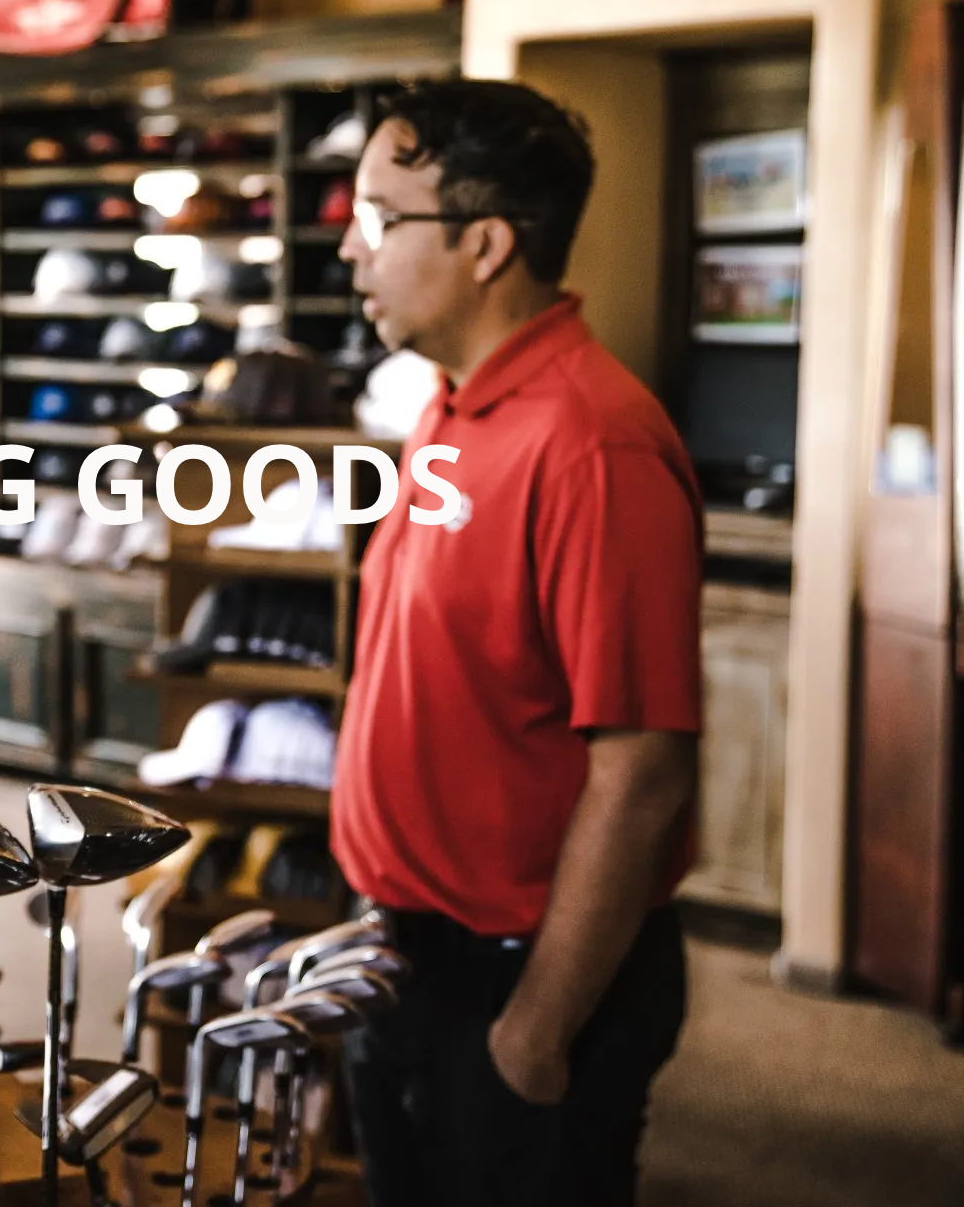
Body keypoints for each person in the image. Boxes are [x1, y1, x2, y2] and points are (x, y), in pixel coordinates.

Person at [330, 79, 702, 1207]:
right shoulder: (451, 403)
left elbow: (641, 771)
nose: (354, 250)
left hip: (518, 982)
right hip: (408, 950)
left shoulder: (594, 445)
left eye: (381, 218)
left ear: (486, 244)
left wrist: (534, 1033)